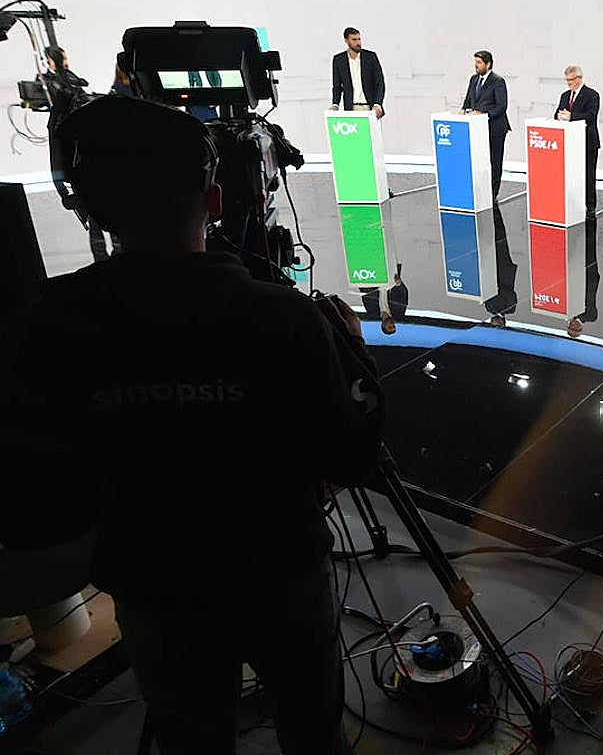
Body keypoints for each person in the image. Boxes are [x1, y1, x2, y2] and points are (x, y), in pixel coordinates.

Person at [0, 95, 383, 755]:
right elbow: (354, 456)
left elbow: (38, 506)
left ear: (88, 209)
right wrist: (350, 353)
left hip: (157, 595)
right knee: (314, 733)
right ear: (212, 199)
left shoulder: (41, 333)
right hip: (283, 579)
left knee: (192, 740)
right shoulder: (283, 320)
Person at [43, 45, 119, 262]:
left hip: (86, 163)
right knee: (97, 219)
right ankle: (106, 257)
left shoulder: (67, 82)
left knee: (102, 218)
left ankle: (112, 254)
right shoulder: (58, 83)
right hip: (81, 166)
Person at [461, 50, 511, 200]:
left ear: (488, 64)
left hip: (495, 129)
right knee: (480, 162)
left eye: (479, 63)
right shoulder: (473, 79)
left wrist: (482, 114)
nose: (475, 66)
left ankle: (493, 193)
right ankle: (481, 191)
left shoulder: (498, 81)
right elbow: (469, 99)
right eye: (475, 62)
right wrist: (463, 110)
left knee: (495, 162)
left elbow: (501, 106)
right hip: (478, 129)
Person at [554, 65, 601, 217]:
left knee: (588, 173)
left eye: (571, 80)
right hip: (570, 143)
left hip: (588, 142)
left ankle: (590, 205)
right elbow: (557, 113)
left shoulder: (592, 95)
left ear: (579, 79)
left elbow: (591, 116)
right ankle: (573, 202)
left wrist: (571, 116)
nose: (568, 83)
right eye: (566, 80)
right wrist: (560, 116)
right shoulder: (565, 95)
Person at [329, 26, 385, 118]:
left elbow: (379, 83)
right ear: (346, 41)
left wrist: (377, 104)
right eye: (354, 39)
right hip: (351, 108)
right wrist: (335, 104)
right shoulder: (339, 60)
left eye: (359, 39)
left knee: (371, 132)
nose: (358, 42)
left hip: (370, 108)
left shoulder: (371, 57)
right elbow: (337, 86)